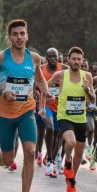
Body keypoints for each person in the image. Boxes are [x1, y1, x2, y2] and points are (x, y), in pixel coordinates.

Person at [0, 19, 48, 192]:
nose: (19, 37)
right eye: (15, 34)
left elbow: (39, 78)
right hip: (5, 114)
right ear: (9, 37)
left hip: (27, 111)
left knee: (30, 152)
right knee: (7, 161)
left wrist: (44, 89)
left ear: (27, 35)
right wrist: (2, 92)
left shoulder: (34, 58)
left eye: (22, 33)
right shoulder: (1, 58)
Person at [47, 47, 95, 192]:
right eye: (73, 59)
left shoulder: (87, 76)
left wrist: (88, 91)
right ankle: (67, 159)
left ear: (82, 60)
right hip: (64, 117)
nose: (76, 61)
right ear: (68, 60)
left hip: (80, 118)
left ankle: (71, 180)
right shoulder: (60, 75)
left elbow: (93, 100)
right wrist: (44, 95)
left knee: (79, 153)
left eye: (79, 59)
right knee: (71, 142)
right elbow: (44, 86)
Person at [39, 48, 63, 178]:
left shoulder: (64, 69)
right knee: (50, 128)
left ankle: (51, 159)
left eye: (55, 56)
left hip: (60, 107)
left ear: (58, 57)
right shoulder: (41, 69)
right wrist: (41, 95)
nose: (52, 59)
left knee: (58, 136)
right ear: (46, 57)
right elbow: (35, 88)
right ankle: (50, 162)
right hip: (46, 105)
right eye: (50, 56)